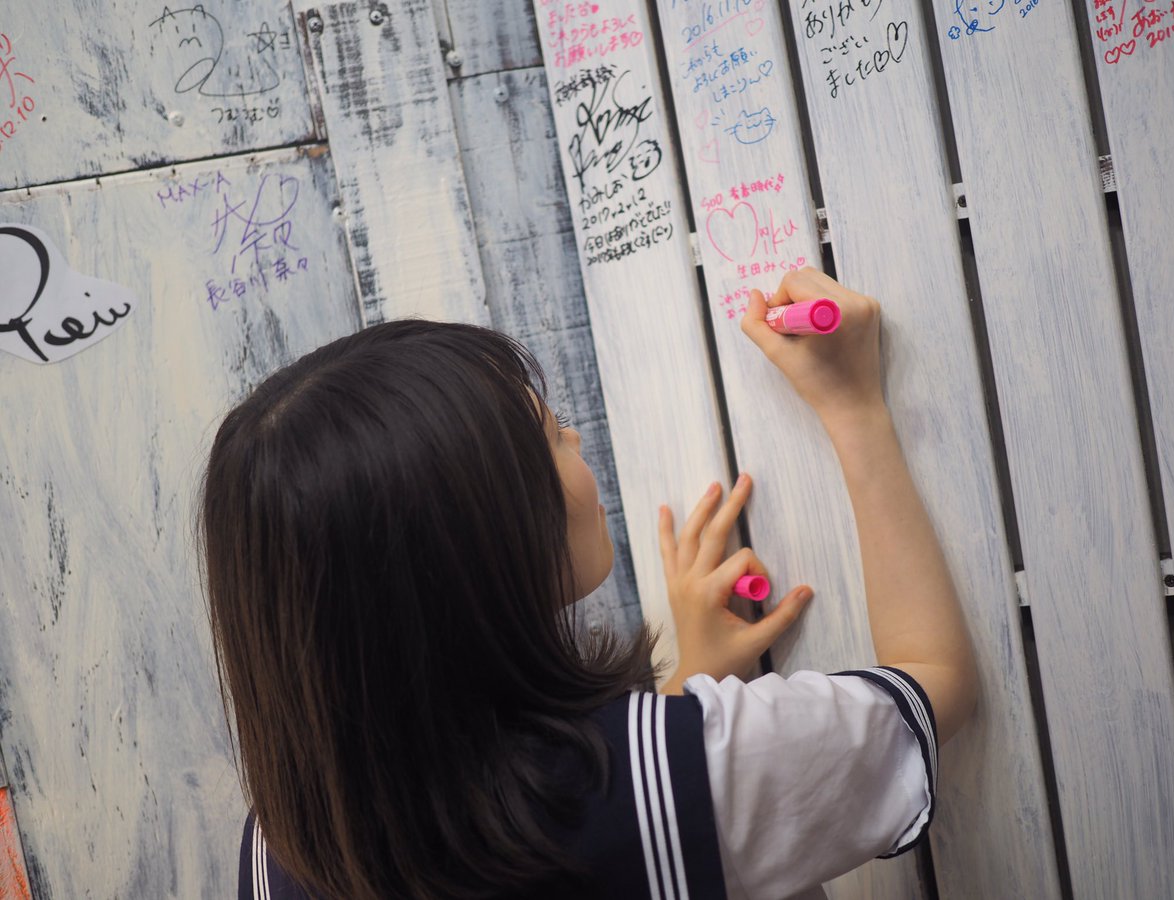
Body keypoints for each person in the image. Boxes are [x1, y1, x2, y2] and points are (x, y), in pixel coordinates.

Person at [200, 267, 978, 900]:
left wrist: (690, 691)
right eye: (548, 434)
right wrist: (854, 411)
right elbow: (934, 683)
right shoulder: (682, 778)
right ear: (482, 544)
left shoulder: (281, 853)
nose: (574, 438)